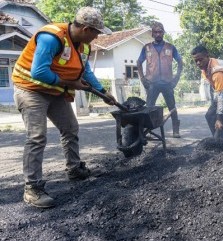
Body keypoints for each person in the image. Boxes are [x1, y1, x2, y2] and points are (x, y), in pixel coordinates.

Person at [12, 7, 115, 208]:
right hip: (30, 89)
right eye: (97, 32)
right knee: (37, 136)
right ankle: (32, 188)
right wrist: (69, 84)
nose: (97, 37)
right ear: (86, 29)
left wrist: (103, 92)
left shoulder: (84, 47)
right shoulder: (52, 37)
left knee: (70, 128)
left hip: (54, 89)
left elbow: (85, 72)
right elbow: (38, 72)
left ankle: (74, 170)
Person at [137, 21, 183, 138]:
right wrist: (142, 78)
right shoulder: (146, 48)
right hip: (152, 83)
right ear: (152, 34)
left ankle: (176, 130)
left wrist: (176, 78)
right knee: (149, 108)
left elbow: (180, 62)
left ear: (163, 33)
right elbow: (138, 62)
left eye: (160, 32)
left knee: (172, 107)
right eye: (155, 32)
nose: (158, 34)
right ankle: (146, 132)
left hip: (167, 83)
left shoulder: (170, 47)